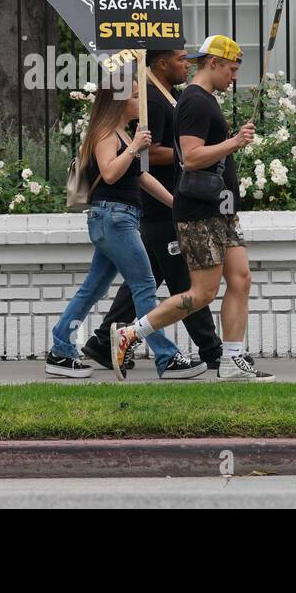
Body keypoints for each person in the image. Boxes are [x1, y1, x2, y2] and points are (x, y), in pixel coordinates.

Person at [112, 36, 274, 381]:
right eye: (231, 69)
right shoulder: (196, 102)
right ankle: (130, 333)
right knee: (202, 293)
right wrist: (234, 142)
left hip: (222, 210)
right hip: (201, 213)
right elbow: (190, 156)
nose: (234, 77)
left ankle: (231, 359)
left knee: (241, 279)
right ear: (213, 63)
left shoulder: (205, 100)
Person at [46, 78, 206, 379]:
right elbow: (109, 173)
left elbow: (140, 178)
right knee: (144, 286)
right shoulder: (107, 134)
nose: (140, 102)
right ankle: (166, 357)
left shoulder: (122, 133)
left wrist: (176, 204)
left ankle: (60, 349)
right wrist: (134, 146)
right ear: (119, 102)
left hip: (118, 218)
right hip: (114, 218)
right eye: (135, 96)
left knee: (94, 288)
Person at [81, 48, 223, 371]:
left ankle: (104, 341)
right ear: (161, 64)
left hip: (167, 203)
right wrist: (191, 153)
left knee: (142, 281)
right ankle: (209, 349)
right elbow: (151, 153)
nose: (186, 65)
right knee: (185, 281)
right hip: (157, 211)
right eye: (179, 60)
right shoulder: (152, 101)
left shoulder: (169, 97)